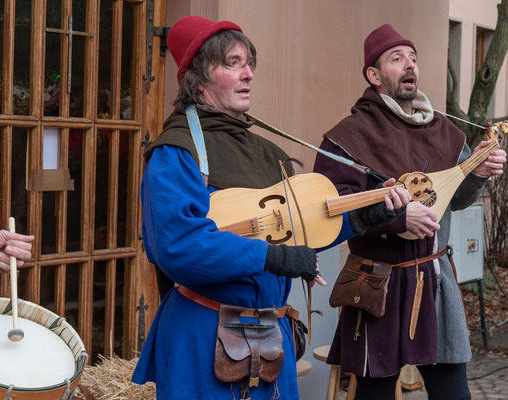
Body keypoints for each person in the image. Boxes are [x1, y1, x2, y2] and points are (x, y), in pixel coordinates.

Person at [131, 16, 411, 400]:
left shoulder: (267, 153)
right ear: (197, 80)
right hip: (202, 335)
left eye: (249, 64)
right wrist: (272, 257)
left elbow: (300, 228)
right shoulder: (177, 153)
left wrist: (364, 217)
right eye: (232, 63)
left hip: (269, 339)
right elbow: (178, 246)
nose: (248, 74)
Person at [313, 24, 507, 400]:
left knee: (454, 393)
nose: (409, 66)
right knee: (376, 394)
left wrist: (478, 172)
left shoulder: (445, 132)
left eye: (413, 58)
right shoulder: (349, 136)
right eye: (396, 58)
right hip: (378, 284)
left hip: (435, 280)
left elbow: (458, 198)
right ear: (374, 75)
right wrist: (400, 219)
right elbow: (332, 210)